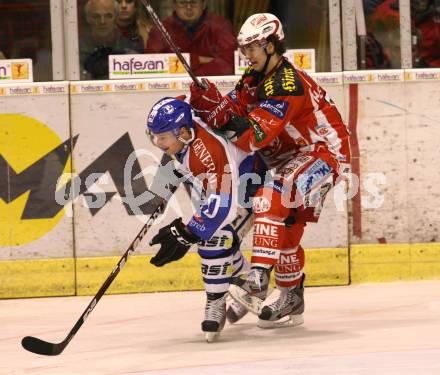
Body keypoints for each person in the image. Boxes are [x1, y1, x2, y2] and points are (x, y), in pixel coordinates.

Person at [190, 13, 351, 328]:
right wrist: (208, 101)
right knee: (285, 226)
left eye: (253, 47)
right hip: (286, 157)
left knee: (271, 195)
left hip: (322, 153)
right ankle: (292, 297)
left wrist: (222, 115)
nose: (247, 54)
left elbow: (251, 137)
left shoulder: (286, 84)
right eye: (244, 48)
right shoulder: (253, 77)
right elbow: (234, 112)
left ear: (272, 45)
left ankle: (257, 279)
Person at [146, 96, 263, 341]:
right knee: (215, 239)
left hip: (253, 187)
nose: (158, 143)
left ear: (184, 132)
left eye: (163, 137)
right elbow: (184, 100)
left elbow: (224, 207)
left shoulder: (207, 152)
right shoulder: (185, 132)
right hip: (228, 184)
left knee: (214, 237)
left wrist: (187, 233)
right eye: (154, 137)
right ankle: (249, 283)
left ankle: (216, 304)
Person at [146, 0, 236, 76]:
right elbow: (151, 66)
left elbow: (229, 65)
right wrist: (197, 60)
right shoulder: (161, 30)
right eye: (182, 2)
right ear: (174, 5)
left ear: (204, 4)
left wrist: (180, 65)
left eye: (194, 2)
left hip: (214, 86)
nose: (188, 7)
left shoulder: (221, 26)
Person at [80, 0, 137, 79]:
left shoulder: (130, 50)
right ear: (88, 18)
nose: (102, 21)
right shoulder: (76, 52)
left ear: (116, 18)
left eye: (108, 16)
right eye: (96, 16)